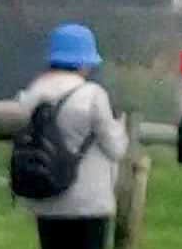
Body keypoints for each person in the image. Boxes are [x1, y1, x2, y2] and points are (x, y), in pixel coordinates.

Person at [17, 24, 128, 249]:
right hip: (88, 203)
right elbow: (116, 148)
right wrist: (121, 127)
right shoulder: (92, 95)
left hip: (45, 197)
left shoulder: (31, 94)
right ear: (83, 62)